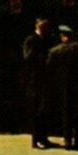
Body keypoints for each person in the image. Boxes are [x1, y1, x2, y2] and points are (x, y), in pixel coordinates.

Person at [47, 25, 78, 149]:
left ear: (62, 36)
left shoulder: (54, 51)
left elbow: (49, 69)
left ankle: (67, 139)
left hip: (62, 86)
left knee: (66, 113)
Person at [21, 17, 54, 148]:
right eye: (43, 26)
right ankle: (36, 139)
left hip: (46, 78)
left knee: (45, 109)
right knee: (37, 109)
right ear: (38, 26)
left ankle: (44, 137)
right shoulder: (31, 40)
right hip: (34, 79)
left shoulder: (48, 39)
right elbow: (27, 57)